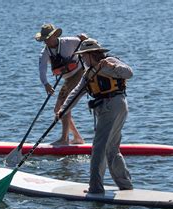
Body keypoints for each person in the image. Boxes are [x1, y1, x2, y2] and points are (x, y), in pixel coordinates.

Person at [57, 38, 133, 194]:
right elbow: (76, 93)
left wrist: (112, 66)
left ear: (92, 54)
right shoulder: (89, 73)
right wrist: (63, 110)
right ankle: (125, 185)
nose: (82, 59)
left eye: (84, 56)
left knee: (98, 148)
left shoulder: (109, 61)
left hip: (114, 104)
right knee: (111, 148)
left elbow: (129, 73)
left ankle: (96, 188)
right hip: (105, 109)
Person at [36, 23, 87, 145]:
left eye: (48, 38)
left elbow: (88, 43)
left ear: (54, 35)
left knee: (63, 106)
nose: (46, 41)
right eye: (44, 39)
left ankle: (65, 139)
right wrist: (46, 84)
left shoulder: (69, 41)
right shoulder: (45, 53)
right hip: (68, 79)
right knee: (58, 109)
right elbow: (42, 69)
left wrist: (85, 38)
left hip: (79, 74)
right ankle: (77, 138)